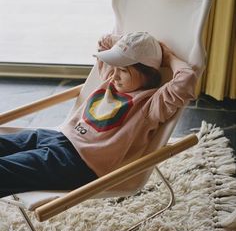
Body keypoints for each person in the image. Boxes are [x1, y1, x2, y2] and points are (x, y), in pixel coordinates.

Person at [0, 32, 197, 198]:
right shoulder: (110, 79)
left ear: (146, 72)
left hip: (77, 163)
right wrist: (128, 46)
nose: (115, 74)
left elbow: (187, 79)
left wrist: (168, 57)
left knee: (6, 170)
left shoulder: (150, 104)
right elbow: (104, 42)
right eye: (116, 67)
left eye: (123, 70)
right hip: (59, 136)